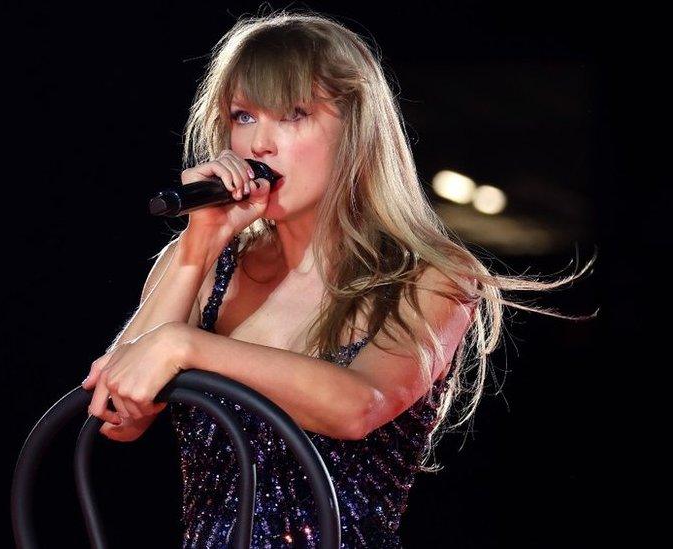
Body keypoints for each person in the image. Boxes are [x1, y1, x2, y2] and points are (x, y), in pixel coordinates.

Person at [82, 8, 595, 548]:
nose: (259, 145)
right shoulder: (200, 263)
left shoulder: (432, 278)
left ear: (355, 130)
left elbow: (358, 406)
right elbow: (114, 412)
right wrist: (198, 247)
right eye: (244, 116)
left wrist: (186, 346)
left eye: (294, 115)